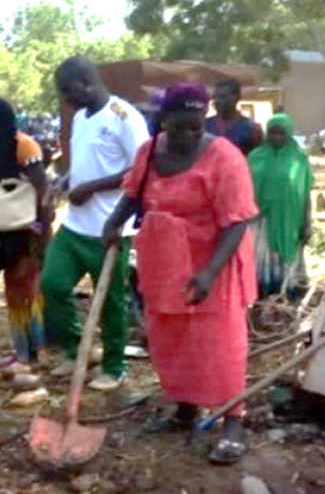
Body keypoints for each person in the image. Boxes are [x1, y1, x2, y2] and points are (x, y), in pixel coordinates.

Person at [102, 82, 258, 465]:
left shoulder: (225, 158)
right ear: (163, 122)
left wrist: (208, 274)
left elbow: (237, 221)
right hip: (165, 257)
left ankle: (233, 422)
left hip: (214, 261)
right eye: (179, 127)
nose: (188, 135)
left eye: (195, 126)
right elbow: (134, 193)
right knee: (171, 337)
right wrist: (113, 223)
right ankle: (185, 410)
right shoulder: (150, 151)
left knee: (220, 344)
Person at [40, 56, 150, 390]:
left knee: (111, 302)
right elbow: (87, 164)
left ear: (88, 82)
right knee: (52, 285)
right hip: (75, 226)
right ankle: (78, 352)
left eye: (68, 90)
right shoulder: (81, 118)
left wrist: (91, 188)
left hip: (109, 228)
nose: (65, 98)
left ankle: (115, 367)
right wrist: (65, 183)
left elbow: (141, 169)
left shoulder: (124, 117)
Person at [0, 98, 53, 370]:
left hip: (26, 229)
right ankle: (20, 348)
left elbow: (42, 187)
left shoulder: (25, 146)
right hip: (5, 229)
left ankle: (32, 351)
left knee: (28, 287)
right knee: (12, 289)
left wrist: (43, 227)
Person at [248, 114, 313, 299]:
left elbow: (305, 193)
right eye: (272, 133)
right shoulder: (254, 157)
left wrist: (307, 223)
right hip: (259, 223)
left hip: (289, 222)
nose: (276, 137)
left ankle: (284, 306)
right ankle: (260, 305)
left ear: (289, 134)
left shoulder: (299, 160)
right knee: (258, 266)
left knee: (287, 267)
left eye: (281, 134)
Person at [206, 80, 263, 155]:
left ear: (237, 98)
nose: (217, 101)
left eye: (222, 97)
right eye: (215, 98)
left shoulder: (251, 129)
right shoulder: (205, 126)